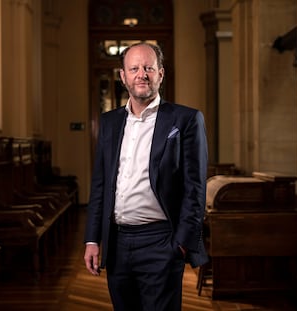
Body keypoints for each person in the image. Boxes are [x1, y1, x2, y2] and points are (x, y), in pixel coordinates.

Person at [84, 42, 208, 311]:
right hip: (117, 243)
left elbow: (195, 188)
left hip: (161, 242)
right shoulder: (109, 123)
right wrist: (93, 239)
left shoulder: (185, 120)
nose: (142, 74)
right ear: (123, 76)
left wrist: (182, 244)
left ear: (160, 74)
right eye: (134, 68)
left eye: (148, 68)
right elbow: (100, 187)